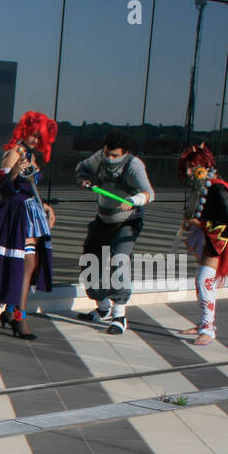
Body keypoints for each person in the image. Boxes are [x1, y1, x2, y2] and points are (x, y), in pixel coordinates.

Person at [0, 111, 58, 340]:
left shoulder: (29, 154)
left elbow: (30, 187)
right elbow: (4, 190)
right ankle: (18, 316)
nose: (34, 139)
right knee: (26, 264)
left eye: (38, 136)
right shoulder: (14, 153)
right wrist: (13, 173)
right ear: (24, 131)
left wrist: (45, 207)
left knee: (30, 264)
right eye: (32, 134)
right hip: (15, 214)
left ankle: (12, 312)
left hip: (30, 212)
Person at [74, 131, 155, 335]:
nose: (110, 159)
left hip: (127, 222)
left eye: (115, 156)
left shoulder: (134, 166)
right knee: (89, 261)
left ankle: (119, 315)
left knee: (119, 261)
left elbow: (149, 193)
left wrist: (133, 201)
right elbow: (81, 168)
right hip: (103, 221)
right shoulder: (99, 157)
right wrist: (83, 179)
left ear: (125, 153)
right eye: (107, 154)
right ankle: (103, 310)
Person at [174, 142, 228, 345]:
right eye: (188, 166)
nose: (189, 171)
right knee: (202, 282)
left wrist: (199, 223)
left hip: (217, 239)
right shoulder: (202, 187)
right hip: (205, 237)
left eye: (193, 166)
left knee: (205, 281)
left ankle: (208, 329)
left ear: (205, 166)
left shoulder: (218, 188)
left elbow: (227, 223)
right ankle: (205, 323)